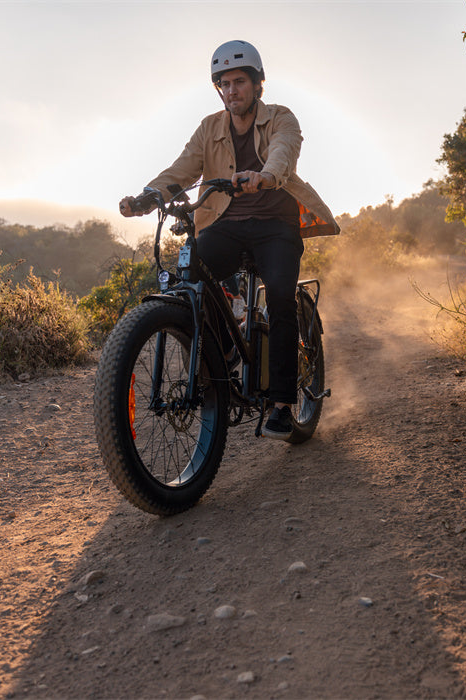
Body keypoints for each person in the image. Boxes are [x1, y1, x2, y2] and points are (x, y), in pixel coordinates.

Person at [120, 39, 339, 440]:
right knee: (191, 275)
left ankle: (282, 404)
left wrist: (266, 177)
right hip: (225, 223)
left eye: (240, 81)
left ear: (258, 85)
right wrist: (149, 197)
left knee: (279, 294)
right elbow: (182, 168)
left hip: (276, 225)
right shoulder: (210, 128)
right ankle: (218, 361)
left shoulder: (281, 117)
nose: (232, 90)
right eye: (224, 83)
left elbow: (283, 152)